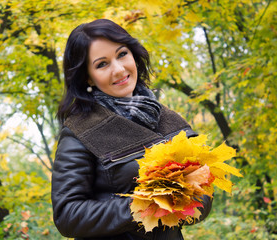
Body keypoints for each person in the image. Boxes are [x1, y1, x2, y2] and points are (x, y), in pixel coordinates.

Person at [51, 19, 212, 240]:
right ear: (87, 76)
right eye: (102, 64)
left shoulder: (170, 120)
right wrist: (144, 204)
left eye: (122, 54)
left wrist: (185, 196)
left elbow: (203, 201)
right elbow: (67, 216)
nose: (118, 70)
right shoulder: (80, 132)